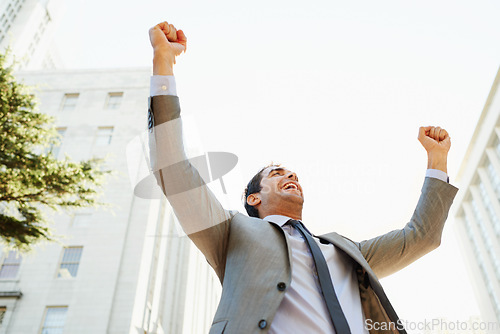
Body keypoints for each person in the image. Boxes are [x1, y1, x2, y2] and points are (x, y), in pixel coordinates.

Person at [147, 21, 459, 334]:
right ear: (254, 198)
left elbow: (422, 237)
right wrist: (163, 60)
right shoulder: (230, 233)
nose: (291, 175)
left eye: (292, 172)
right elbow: (173, 169)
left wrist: (437, 160)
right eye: (276, 173)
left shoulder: (348, 253)